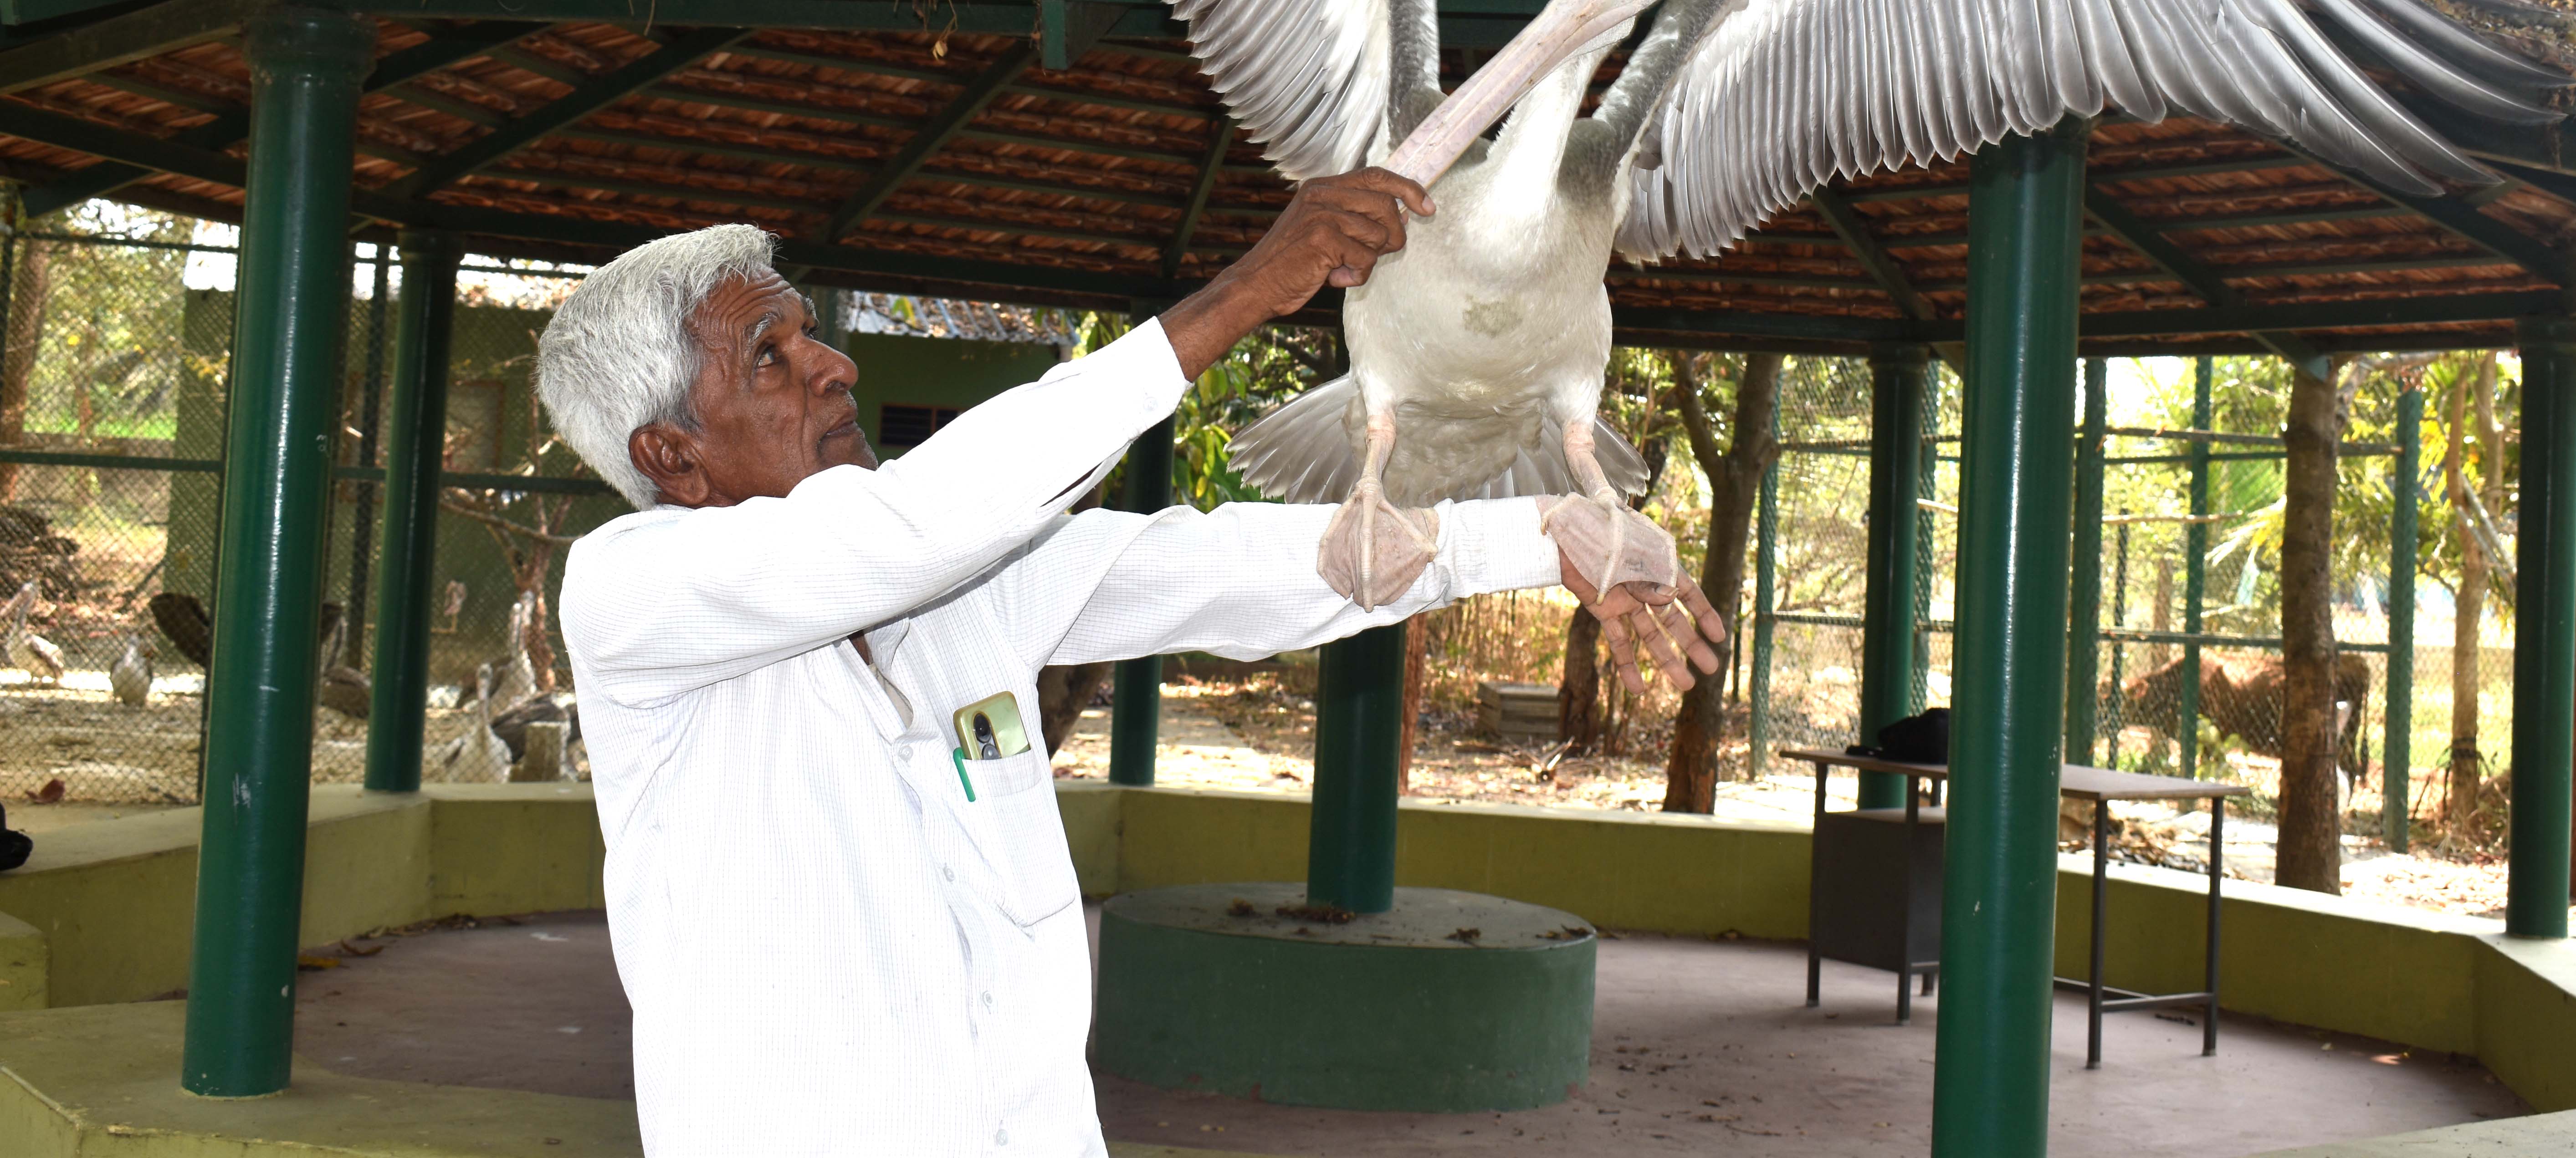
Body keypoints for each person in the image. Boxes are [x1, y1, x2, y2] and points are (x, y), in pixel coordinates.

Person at [539, 168, 1721, 1157]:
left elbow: (1231, 567)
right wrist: (1249, 292)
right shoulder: (634, 594)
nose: (832, 367)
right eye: (769, 357)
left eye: (810, 335)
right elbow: (926, 519)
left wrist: (1542, 533)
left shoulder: (964, 584)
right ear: (671, 456)